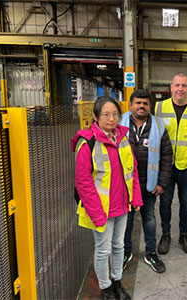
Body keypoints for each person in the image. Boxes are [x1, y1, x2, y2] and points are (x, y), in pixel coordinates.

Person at [71, 96, 143, 300]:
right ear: (95, 116)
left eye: (115, 114)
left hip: (121, 205)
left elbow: (132, 171)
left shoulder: (122, 138)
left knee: (119, 245)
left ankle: (117, 281)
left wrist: (135, 198)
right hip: (101, 209)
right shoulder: (87, 143)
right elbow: (83, 182)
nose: (111, 119)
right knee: (103, 250)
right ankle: (105, 288)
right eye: (106, 114)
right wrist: (96, 214)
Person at [120, 90, 172, 273]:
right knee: (126, 220)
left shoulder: (158, 125)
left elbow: (167, 155)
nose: (141, 106)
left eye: (145, 104)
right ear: (130, 105)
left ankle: (150, 253)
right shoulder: (119, 124)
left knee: (149, 218)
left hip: (149, 185)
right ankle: (125, 253)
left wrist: (162, 183)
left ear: (150, 106)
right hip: (125, 186)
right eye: (138, 103)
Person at [154, 72, 187, 255]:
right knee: (165, 202)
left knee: (186, 201)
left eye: (184, 85)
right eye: (177, 85)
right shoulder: (159, 108)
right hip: (165, 166)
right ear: (171, 87)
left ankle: (183, 234)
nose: (180, 89)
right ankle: (166, 235)